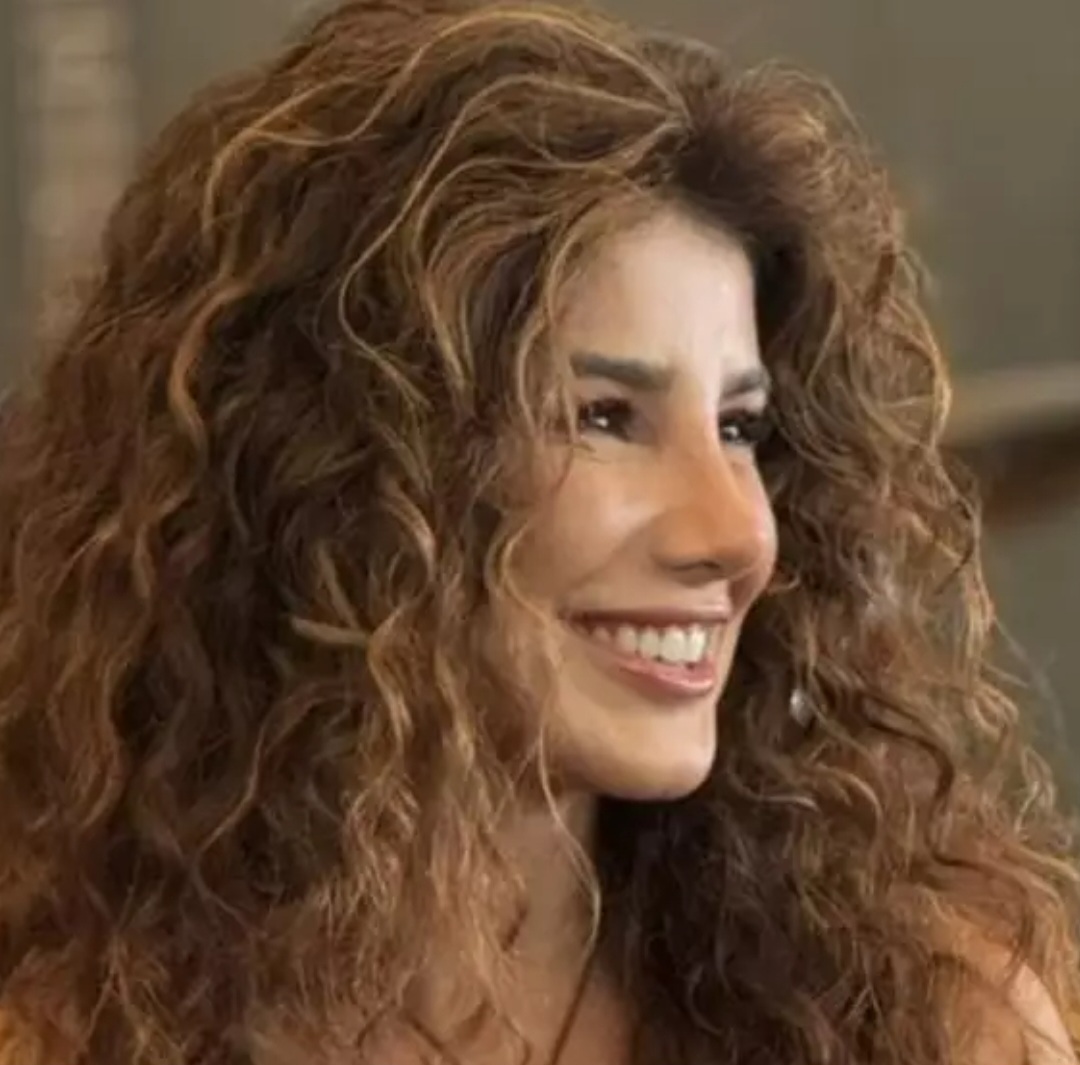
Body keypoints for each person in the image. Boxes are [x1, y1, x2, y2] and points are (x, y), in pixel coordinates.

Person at [0, 1, 1076, 1062]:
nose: (737, 534)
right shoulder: (75, 1031)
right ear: (337, 472)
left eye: (740, 428)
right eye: (604, 418)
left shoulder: (926, 1018)